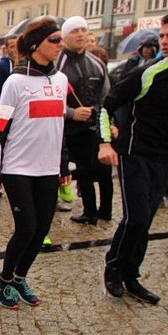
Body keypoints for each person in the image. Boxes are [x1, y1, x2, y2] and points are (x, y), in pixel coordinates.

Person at [99, 12, 168, 305]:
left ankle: (131, 275)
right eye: (162, 35)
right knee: (137, 217)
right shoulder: (148, 72)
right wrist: (106, 141)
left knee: (145, 220)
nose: (165, 41)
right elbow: (107, 105)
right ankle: (114, 266)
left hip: (165, 157)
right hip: (133, 153)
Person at [0, 17, 68, 309]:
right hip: (17, 166)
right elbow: (1, 126)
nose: (60, 45)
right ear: (37, 44)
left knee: (41, 230)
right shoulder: (16, 80)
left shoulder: (60, 79)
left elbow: (60, 125)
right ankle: (4, 278)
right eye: (55, 40)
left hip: (48, 167)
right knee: (26, 227)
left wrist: (64, 163)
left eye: (61, 39)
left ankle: (20, 277)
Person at [55, 16, 112, 225]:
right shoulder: (58, 65)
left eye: (83, 30)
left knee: (104, 169)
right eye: (74, 31)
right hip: (69, 128)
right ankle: (89, 210)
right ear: (65, 36)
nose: (80, 34)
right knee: (83, 169)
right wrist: (71, 112)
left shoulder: (96, 63)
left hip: (95, 125)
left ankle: (105, 210)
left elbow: (106, 96)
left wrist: (108, 122)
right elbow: (50, 101)